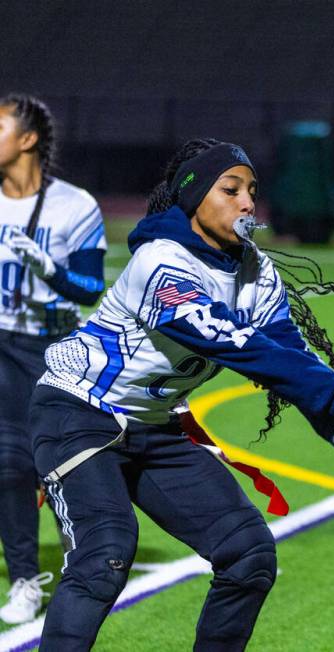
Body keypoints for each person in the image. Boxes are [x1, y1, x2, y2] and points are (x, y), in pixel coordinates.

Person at [29, 138, 334, 650]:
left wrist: (332, 420)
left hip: (154, 426)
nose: (248, 202)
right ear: (194, 196)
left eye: (252, 190)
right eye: (231, 189)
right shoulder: (160, 261)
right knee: (105, 554)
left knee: (248, 555)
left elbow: (284, 352)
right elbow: (229, 340)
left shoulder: (256, 271)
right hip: (79, 414)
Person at [0, 94, 107, 624]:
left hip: (49, 348)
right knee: (8, 464)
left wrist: (50, 271)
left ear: (27, 140)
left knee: (61, 465)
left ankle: (81, 569)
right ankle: (23, 577)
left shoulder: (74, 205)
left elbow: (90, 288)